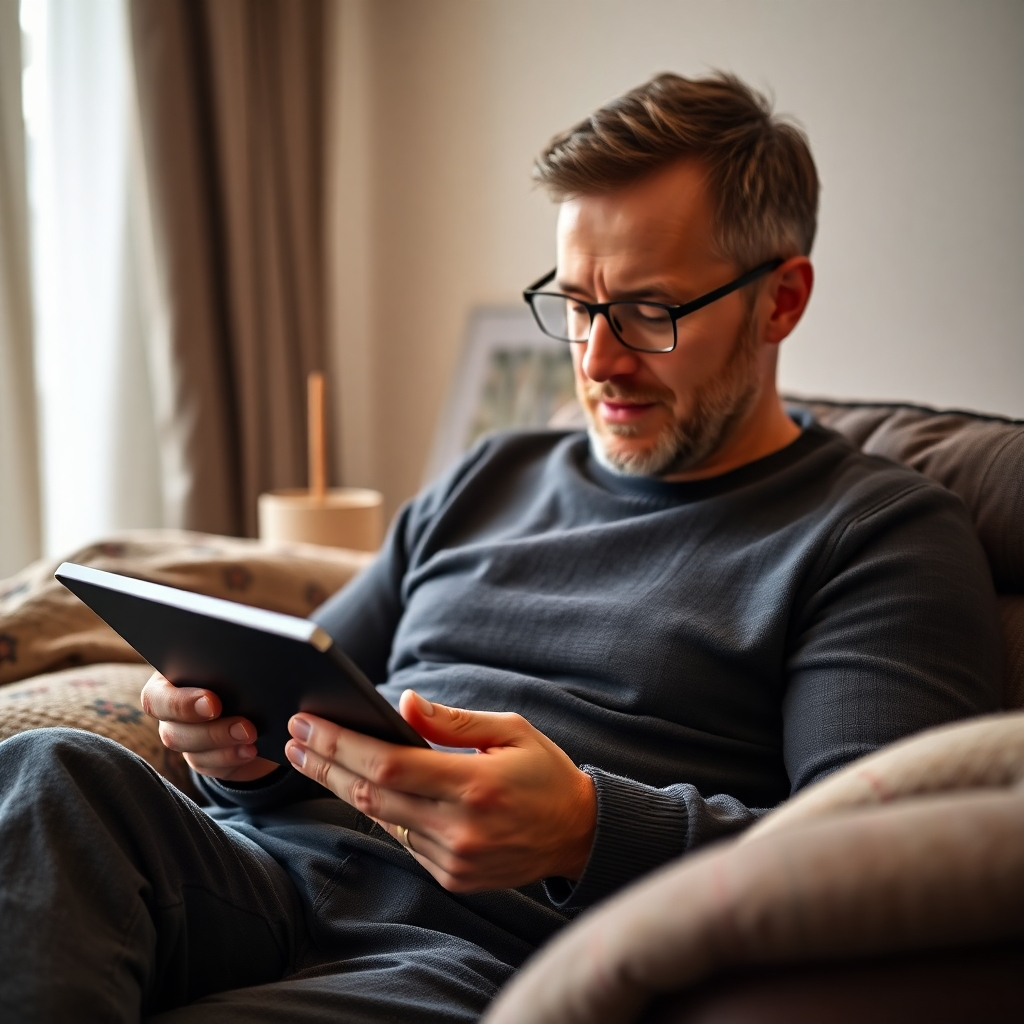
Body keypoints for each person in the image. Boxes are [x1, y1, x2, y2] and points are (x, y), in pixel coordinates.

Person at [0, 73, 1000, 1023]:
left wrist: (581, 824)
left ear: (779, 298)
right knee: (50, 775)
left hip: (483, 952)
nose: (597, 360)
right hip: (255, 875)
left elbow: (866, 855)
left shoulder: (875, 532)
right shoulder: (494, 475)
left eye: (647, 312)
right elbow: (303, 694)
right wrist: (235, 749)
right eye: (574, 305)